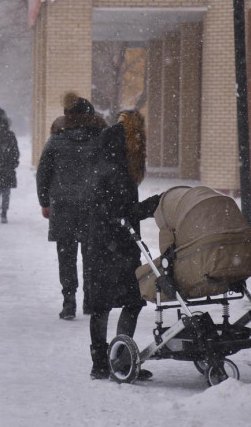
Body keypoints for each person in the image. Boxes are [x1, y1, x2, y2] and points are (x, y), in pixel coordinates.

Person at [86, 108, 160, 379]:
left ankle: (102, 363)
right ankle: (119, 359)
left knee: (102, 305)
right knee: (131, 301)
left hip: (101, 244)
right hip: (116, 246)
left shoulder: (104, 157)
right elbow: (123, 211)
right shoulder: (119, 167)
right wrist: (153, 204)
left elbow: (110, 208)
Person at [36, 92, 108, 320]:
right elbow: (109, 172)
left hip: (63, 206)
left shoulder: (56, 139)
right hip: (92, 206)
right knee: (91, 255)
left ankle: (69, 301)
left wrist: (45, 202)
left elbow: (43, 172)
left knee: (66, 256)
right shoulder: (101, 140)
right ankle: (89, 300)